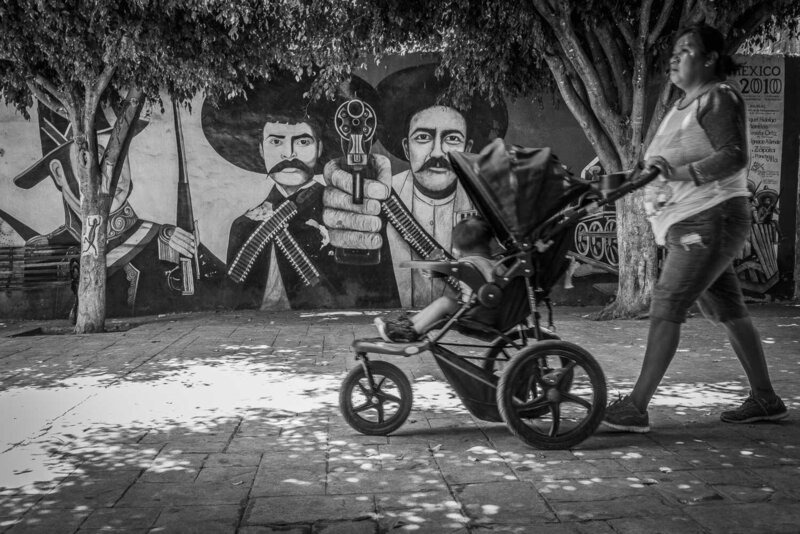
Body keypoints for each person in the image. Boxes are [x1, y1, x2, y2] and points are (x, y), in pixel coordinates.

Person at [602, 23, 787, 433]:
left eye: (685, 50)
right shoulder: (685, 103)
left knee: (667, 301)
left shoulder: (718, 97)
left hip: (710, 219)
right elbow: (661, 167)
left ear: (709, 60)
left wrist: (681, 173)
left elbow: (734, 156)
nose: (674, 57)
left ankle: (636, 405)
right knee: (726, 308)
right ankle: (766, 399)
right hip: (694, 221)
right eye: (674, 51)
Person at [202, 75, 400, 310]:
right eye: (276, 142)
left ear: (319, 149)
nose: (289, 154)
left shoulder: (342, 214)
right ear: (261, 150)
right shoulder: (244, 226)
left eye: (303, 142)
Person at [323, 64, 507, 308]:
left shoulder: (487, 199)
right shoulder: (382, 195)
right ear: (407, 148)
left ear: (468, 148)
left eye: (452, 138)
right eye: (423, 137)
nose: (438, 151)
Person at [12, 103, 224, 316]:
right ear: (58, 173)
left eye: (121, 156)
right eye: (98, 159)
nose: (115, 172)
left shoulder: (161, 240)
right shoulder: (45, 252)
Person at [374, 216, 495, 342]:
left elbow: (458, 270)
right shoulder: (493, 264)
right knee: (444, 302)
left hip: (477, 314)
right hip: (481, 311)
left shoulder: (470, 263)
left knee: (444, 303)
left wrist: (435, 266)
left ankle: (409, 332)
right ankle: (405, 326)